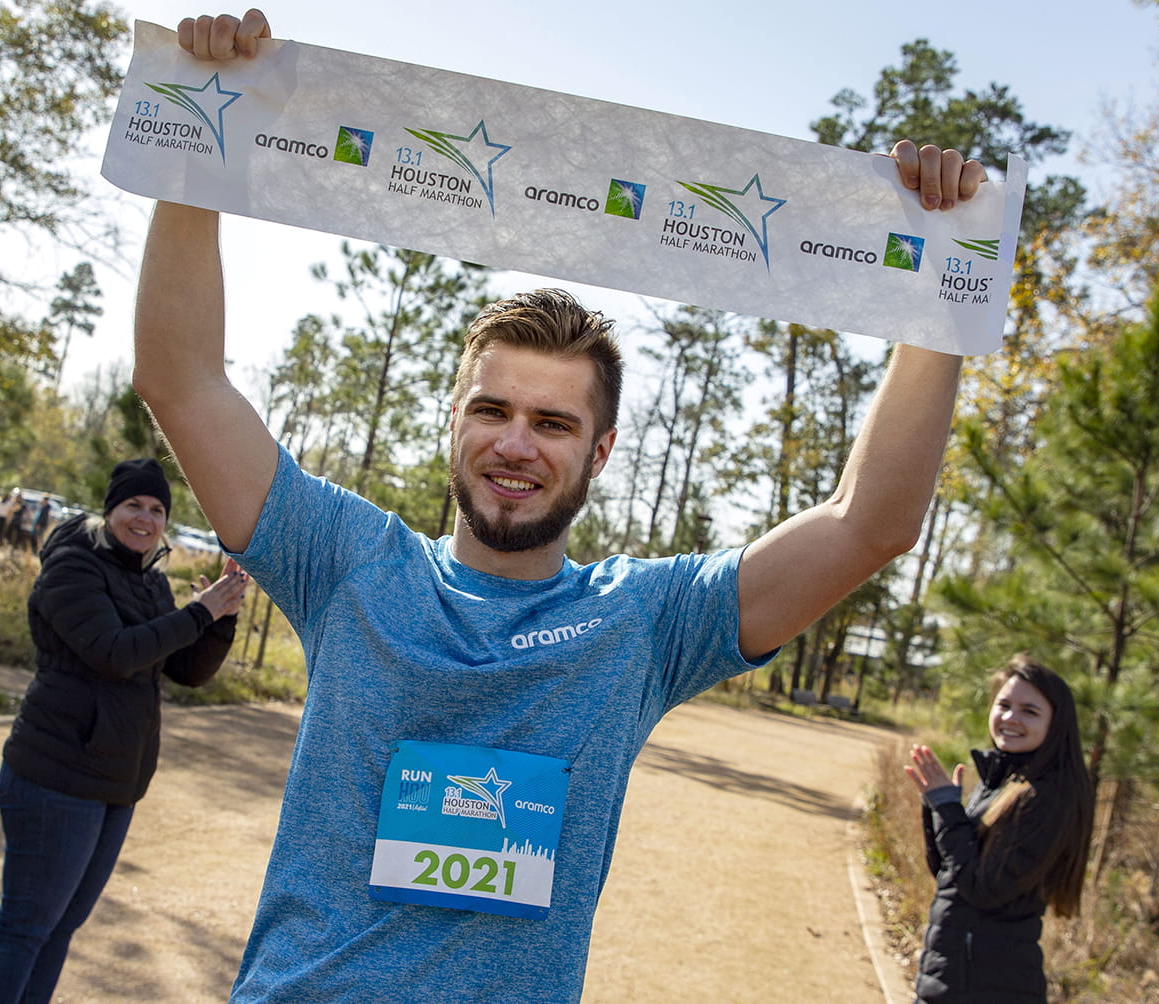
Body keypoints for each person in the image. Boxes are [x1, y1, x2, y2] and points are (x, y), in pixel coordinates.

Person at [134, 11, 989, 1000]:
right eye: (492, 409)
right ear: (451, 423)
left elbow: (869, 522)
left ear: (600, 451)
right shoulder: (349, 561)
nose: (514, 442)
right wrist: (194, 132)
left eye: (552, 422)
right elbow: (181, 379)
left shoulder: (644, 621)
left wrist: (938, 290)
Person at [0, 458, 249, 1004]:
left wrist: (221, 617)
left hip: (115, 783)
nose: (145, 519)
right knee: (25, 927)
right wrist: (197, 612)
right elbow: (113, 654)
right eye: (133, 506)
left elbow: (186, 672)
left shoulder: (148, 580)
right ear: (110, 510)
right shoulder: (72, 568)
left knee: (58, 930)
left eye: (157, 509)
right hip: (55, 778)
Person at [903, 656, 1095, 1003]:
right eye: (1003, 705)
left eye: (1029, 711)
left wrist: (948, 810)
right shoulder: (1003, 779)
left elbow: (984, 889)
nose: (1010, 718)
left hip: (984, 984)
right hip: (953, 975)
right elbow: (951, 873)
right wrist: (938, 806)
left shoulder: (1046, 796)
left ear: (1056, 723)